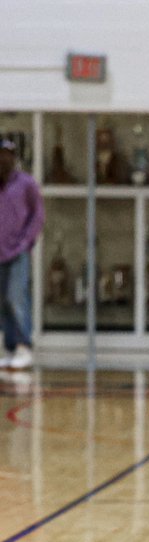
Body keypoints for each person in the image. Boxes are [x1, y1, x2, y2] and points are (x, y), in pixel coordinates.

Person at [0, 135, 44, 371]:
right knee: (3, 301)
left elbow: (38, 215)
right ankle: (10, 347)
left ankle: (24, 345)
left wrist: (26, 242)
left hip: (17, 252)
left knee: (16, 297)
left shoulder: (26, 183)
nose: (3, 159)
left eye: (7, 154)